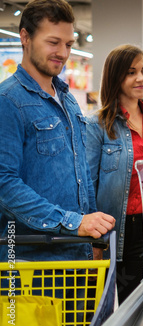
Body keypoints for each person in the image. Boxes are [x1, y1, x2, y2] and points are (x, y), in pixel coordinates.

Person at [0, 0, 115, 262]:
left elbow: (81, 172)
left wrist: (93, 234)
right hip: (32, 261)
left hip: (77, 253)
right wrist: (73, 223)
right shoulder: (7, 101)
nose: (63, 53)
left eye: (69, 44)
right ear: (25, 37)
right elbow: (4, 184)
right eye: (53, 42)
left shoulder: (69, 100)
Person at [86, 44, 143, 303]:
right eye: (131, 72)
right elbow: (87, 186)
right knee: (103, 311)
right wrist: (95, 242)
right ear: (116, 77)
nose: (141, 78)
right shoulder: (97, 125)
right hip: (111, 230)